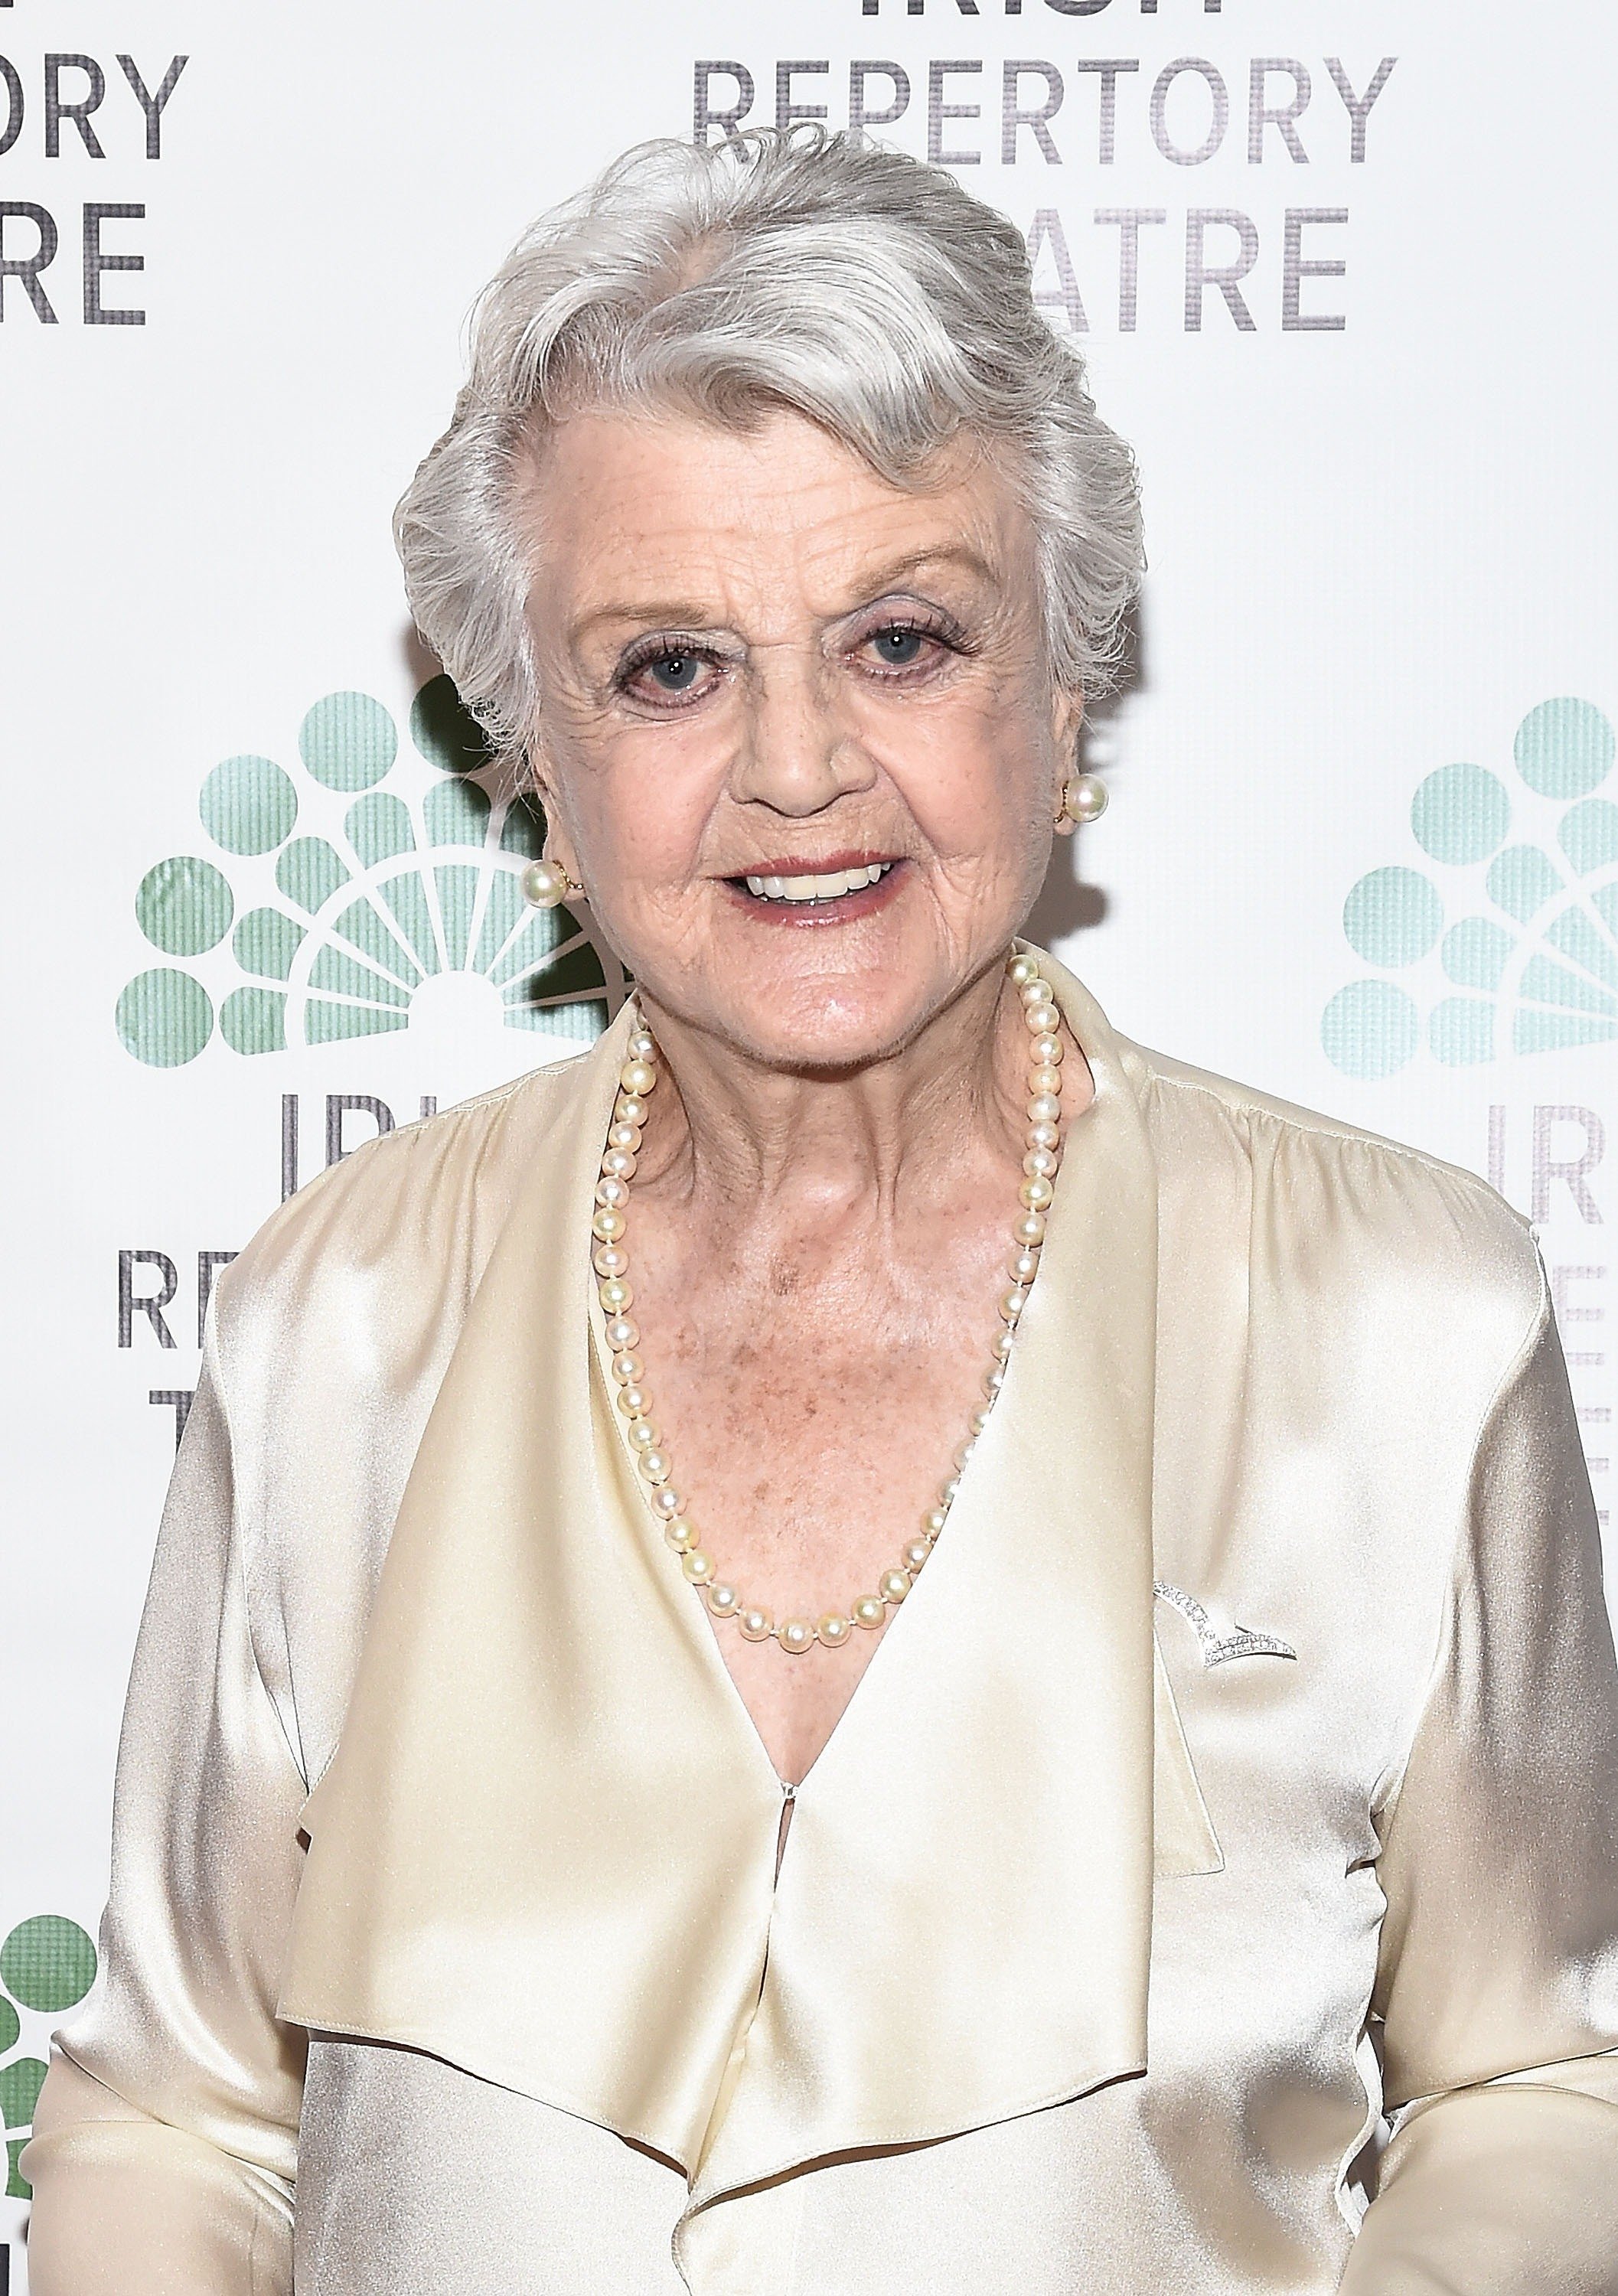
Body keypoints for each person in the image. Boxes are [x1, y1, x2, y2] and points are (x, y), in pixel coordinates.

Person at [24, 128, 1618, 2295]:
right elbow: (182, 2110)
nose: (798, 769)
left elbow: (1539, 2085)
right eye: (669, 667)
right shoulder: (344, 1314)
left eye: (898, 638)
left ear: (1062, 699)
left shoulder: (1404, 1320)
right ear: (537, 768)